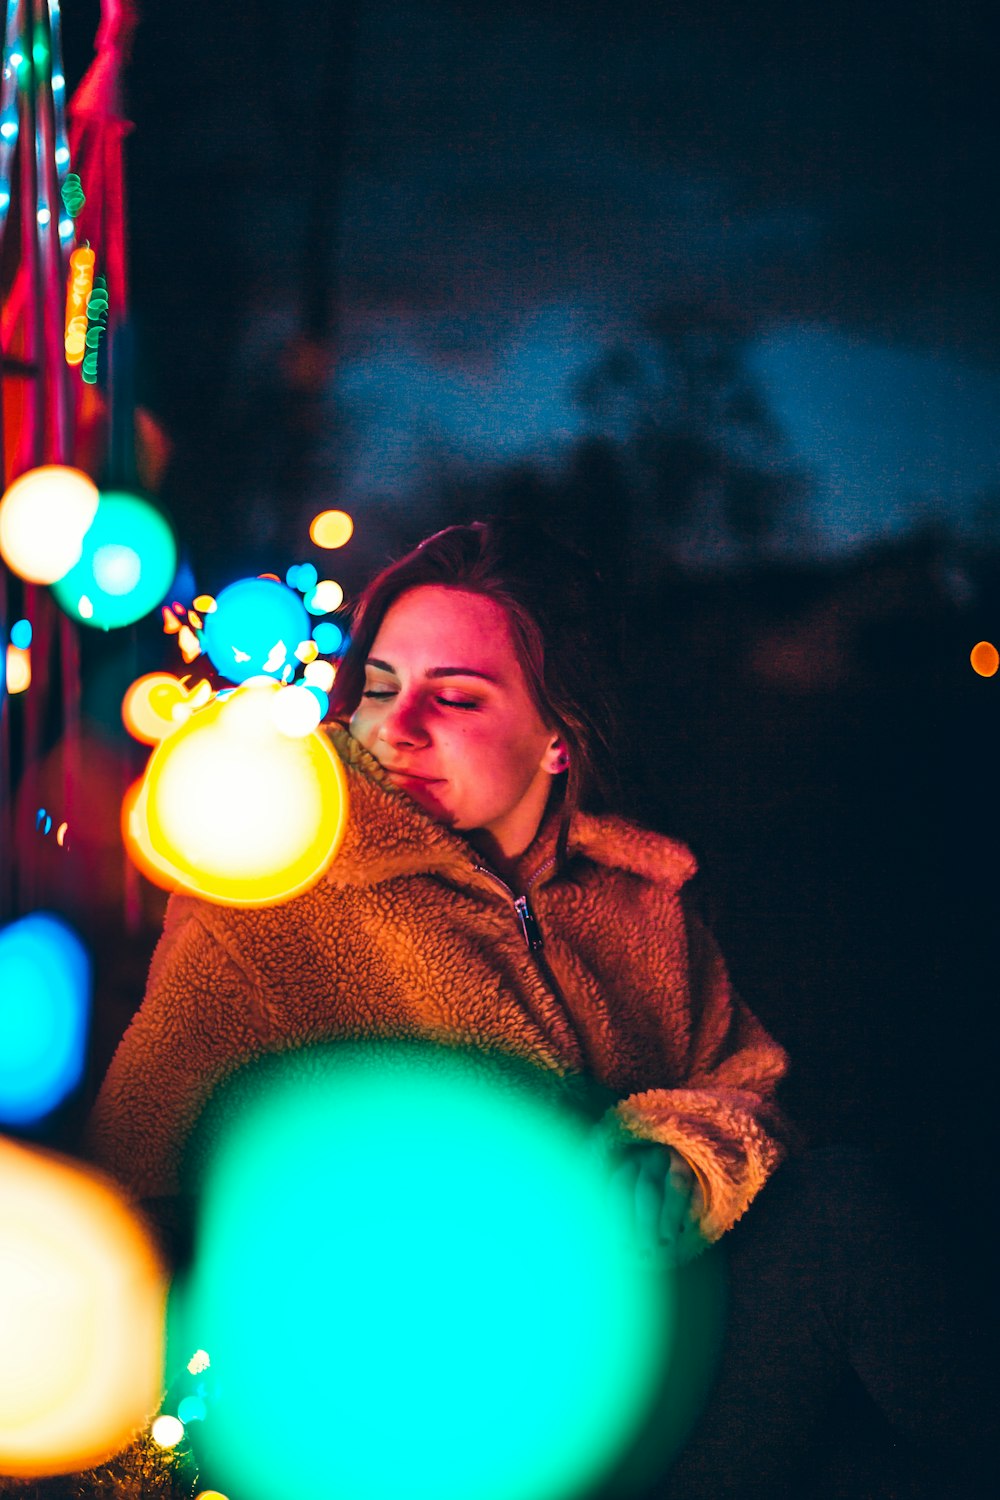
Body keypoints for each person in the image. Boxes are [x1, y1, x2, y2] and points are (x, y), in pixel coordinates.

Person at [86, 519, 988, 1497]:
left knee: (848, 1231)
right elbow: (136, 1199)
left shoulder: (638, 900)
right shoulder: (274, 904)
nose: (397, 728)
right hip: (442, 1436)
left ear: (557, 738)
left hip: (652, 1376)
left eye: (456, 697)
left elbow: (747, 1079)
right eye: (379, 689)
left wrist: (669, 1153)